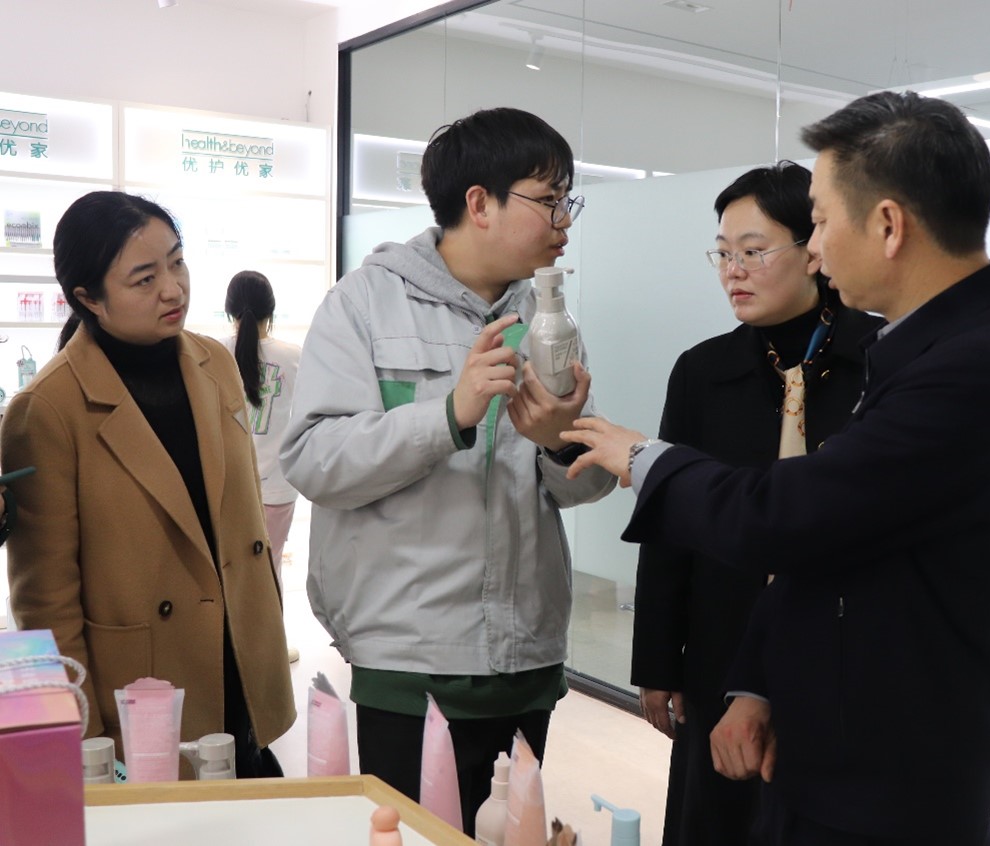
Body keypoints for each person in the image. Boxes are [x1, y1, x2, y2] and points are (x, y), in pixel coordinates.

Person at [560, 91, 990, 846]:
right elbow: (830, 545)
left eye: (824, 222)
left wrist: (644, 459)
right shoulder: (929, 350)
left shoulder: (976, 369)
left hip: (886, 768)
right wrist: (756, 683)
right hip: (826, 733)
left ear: (888, 225)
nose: (819, 249)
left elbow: (790, 515)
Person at [280, 107, 616, 835]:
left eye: (569, 200)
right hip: (409, 658)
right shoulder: (364, 304)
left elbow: (584, 483)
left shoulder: (546, 317)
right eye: (548, 199)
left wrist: (560, 445)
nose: (564, 220)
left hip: (526, 653)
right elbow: (314, 459)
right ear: (478, 203)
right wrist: (448, 415)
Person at [0, 191, 295, 779]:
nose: (173, 289)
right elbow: (45, 601)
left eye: (177, 262)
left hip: (240, 658)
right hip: (144, 686)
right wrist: (83, 742)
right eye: (144, 278)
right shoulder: (48, 409)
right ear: (88, 298)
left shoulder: (214, 363)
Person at [631, 161, 883, 846]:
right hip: (723, 634)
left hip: (840, 651)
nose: (732, 272)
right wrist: (657, 661)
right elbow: (669, 522)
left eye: (753, 251)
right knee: (716, 816)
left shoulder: (880, 359)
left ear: (813, 249)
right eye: (723, 253)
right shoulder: (703, 370)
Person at [219, 270, 303, 664]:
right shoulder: (294, 356)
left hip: (226, 486)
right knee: (269, 569)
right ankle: (269, 652)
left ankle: (231, 651)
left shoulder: (214, 353)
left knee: (228, 570)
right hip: (278, 486)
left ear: (229, 311)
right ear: (272, 310)